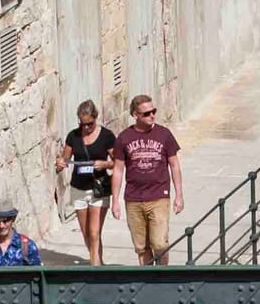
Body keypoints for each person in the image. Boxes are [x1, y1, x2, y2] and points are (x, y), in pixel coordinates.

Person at [111, 94, 183, 266]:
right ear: (135, 115)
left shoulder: (164, 134)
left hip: (159, 195)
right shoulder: (124, 138)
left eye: (153, 111)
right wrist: (115, 200)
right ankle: (147, 278)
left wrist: (179, 195)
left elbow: (174, 165)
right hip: (134, 198)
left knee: (159, 243)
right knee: (141, 247)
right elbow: (118, 169)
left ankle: (163, 276)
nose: (152, 115)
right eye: (146, 113)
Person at [58, 100, 117, 264]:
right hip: (78, 188)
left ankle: (95, 268)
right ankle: (99, 262)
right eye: (82, 124)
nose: (85, 128)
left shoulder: (107, 136)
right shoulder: (73, 136)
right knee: (86, 233)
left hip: (98, 188)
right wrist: (60, 163)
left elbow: (118, 161)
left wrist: (105, 164)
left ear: (96, 118)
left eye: (89, 124)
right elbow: (65, 158)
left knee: (94, 232)